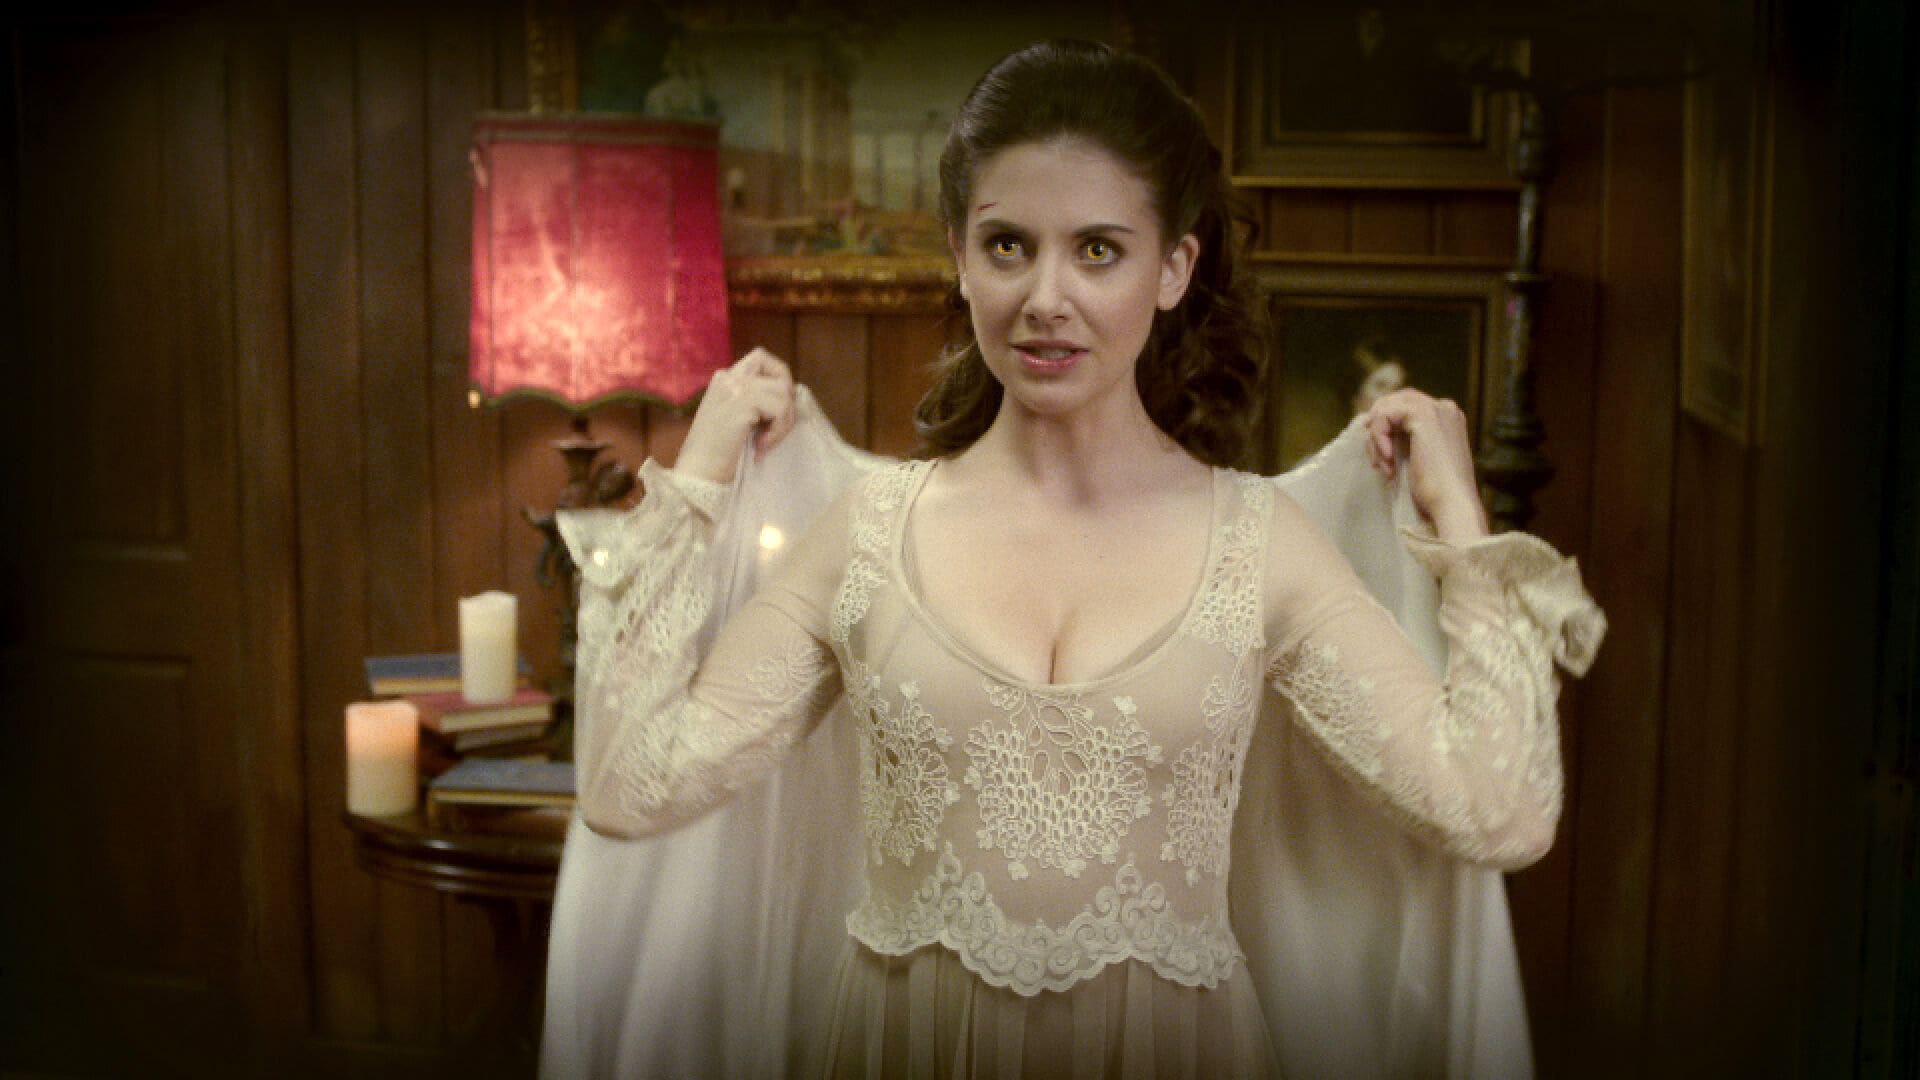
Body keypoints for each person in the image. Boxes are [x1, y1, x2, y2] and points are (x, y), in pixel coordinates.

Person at [543, 39, 1604, 1079]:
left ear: (1174, 268)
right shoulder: (866, 535)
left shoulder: (1261, 546)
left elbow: (1496, 809)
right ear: (960, 255)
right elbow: (632, 787)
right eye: (1009, 246)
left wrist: (1460, 517)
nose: (1045, 297)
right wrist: (699, 475)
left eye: (1098, 250)